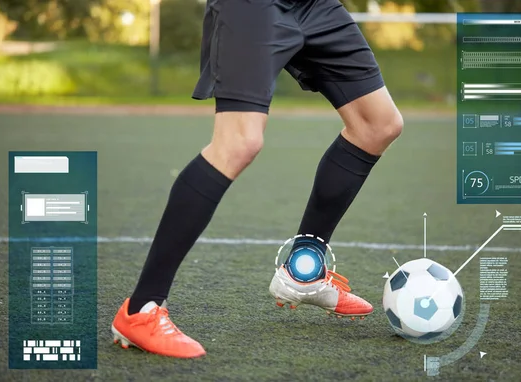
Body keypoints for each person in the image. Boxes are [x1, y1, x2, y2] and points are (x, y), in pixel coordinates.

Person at [112, 0, 403, 358]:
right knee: (238, 142)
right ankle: (141, 309)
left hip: (315, 5)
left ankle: (303, 272)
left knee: (378, 125)